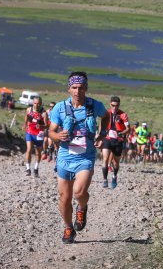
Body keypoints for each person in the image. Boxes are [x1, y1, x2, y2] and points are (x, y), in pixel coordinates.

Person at [48, 71, 106, 244]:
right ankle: (68, 228)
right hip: (65, 157)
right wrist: (57, 137)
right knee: (64, 198)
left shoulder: (95, 105)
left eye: (81, 88)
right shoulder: (60, 107)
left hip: (85, 157)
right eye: (74, 87)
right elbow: (51, 131)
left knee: (79, 192)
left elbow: (106, 116)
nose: (77, 91)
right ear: (69, 88)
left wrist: (102, 134)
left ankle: (82, 207)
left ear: (86, 88)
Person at [100, 96, 130, 189]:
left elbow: (128, 129)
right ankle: (105, 180)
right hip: (107, 138)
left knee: (116, 162)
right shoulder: (106, 113)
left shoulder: (123, 115)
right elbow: (101, 126)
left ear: (119, 105)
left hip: (118, 140)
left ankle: (114, 176)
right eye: (112, 105)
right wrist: (99, 137)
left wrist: (121, 133)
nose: (114, 107)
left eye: (116, 106)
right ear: (110, 104)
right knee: (105, 158)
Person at [23, 96, 47, 177]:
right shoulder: (29, 109)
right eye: (35, 103)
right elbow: (26, 116)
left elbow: (47, 125)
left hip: (39, 134)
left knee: (38, 152)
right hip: (29, 132)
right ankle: (28, 169)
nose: (36, 105)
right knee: (29, 149)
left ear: (41, 103)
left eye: (38, 104)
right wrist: (25, 124)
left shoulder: (43, 113)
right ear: (33, 103)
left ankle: (36, 168)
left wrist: (40, 126)